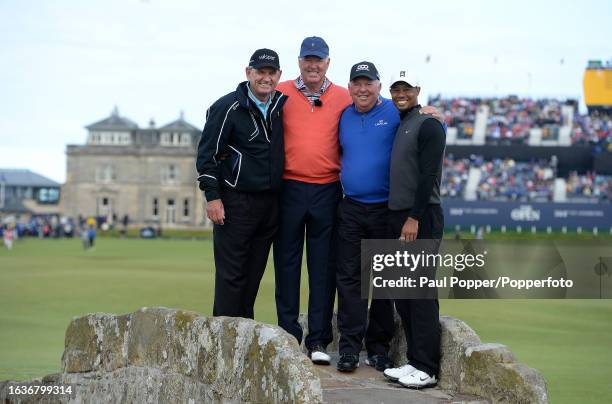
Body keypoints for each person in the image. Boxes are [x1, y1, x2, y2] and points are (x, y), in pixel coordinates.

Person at [335, 62, 444, 373]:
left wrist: (437, 114)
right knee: (352, 278)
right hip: (353, 207)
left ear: (378, 86)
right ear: (350, 87)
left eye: (368, 83)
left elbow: (428, 132)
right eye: (357, 83)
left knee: (387, 282)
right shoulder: (344, 114)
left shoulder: (395, 113)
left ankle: (380, 349)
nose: (362, 88)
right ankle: (349, 348)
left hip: (388, 209)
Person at [273, 36, 351, 365]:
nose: (313, 65)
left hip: (327, 189)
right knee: (287, 264)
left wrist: (426, 110)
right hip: (288, 188)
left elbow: (379, 107)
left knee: (322, 267)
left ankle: (318, 339)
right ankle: (289, 335)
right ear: (299, 62)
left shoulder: (345, 98)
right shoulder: (282, 92)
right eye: (308, 59)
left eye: (318, 60)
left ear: (328, 63)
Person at [196, 48, 287, 319]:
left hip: (270, 204)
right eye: (260, 72)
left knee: (252, 277)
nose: (266, 78)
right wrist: (212, 197)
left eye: (271, 73)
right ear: (248, 73)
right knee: (231, 277)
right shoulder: (227, 107)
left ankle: (243, 341)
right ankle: (222, 345)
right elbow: (207, 155)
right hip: (235, 202)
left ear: (279, 75)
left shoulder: (280, 106)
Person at [382, 70, 446, 388]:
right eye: (396, 88)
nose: (400, 93)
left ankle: (427, 367)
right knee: (402, 292)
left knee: (419, 291)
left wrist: (414, 217)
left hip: (420, 217)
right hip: (398, 216)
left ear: (418, 89)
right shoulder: (403, 122)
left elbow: (428, 175)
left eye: (406, 88)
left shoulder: (429, 124)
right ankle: (414, 360)